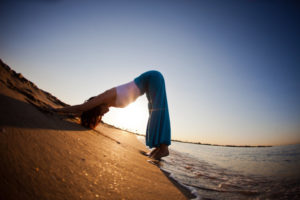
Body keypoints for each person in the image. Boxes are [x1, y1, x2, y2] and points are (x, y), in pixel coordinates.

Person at [57, 70, 171, 160]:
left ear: (96, 107)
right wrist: (69, 115)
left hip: (152, 77)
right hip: (149, 82)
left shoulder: (105, 96)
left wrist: (57, 110)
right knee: (153, 110)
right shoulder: (108, 103)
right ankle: (158, 148)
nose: (103, 114)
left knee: (158, 110)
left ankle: (163, 148)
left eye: (99, 113)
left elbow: (81, 108)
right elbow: (81, 112)